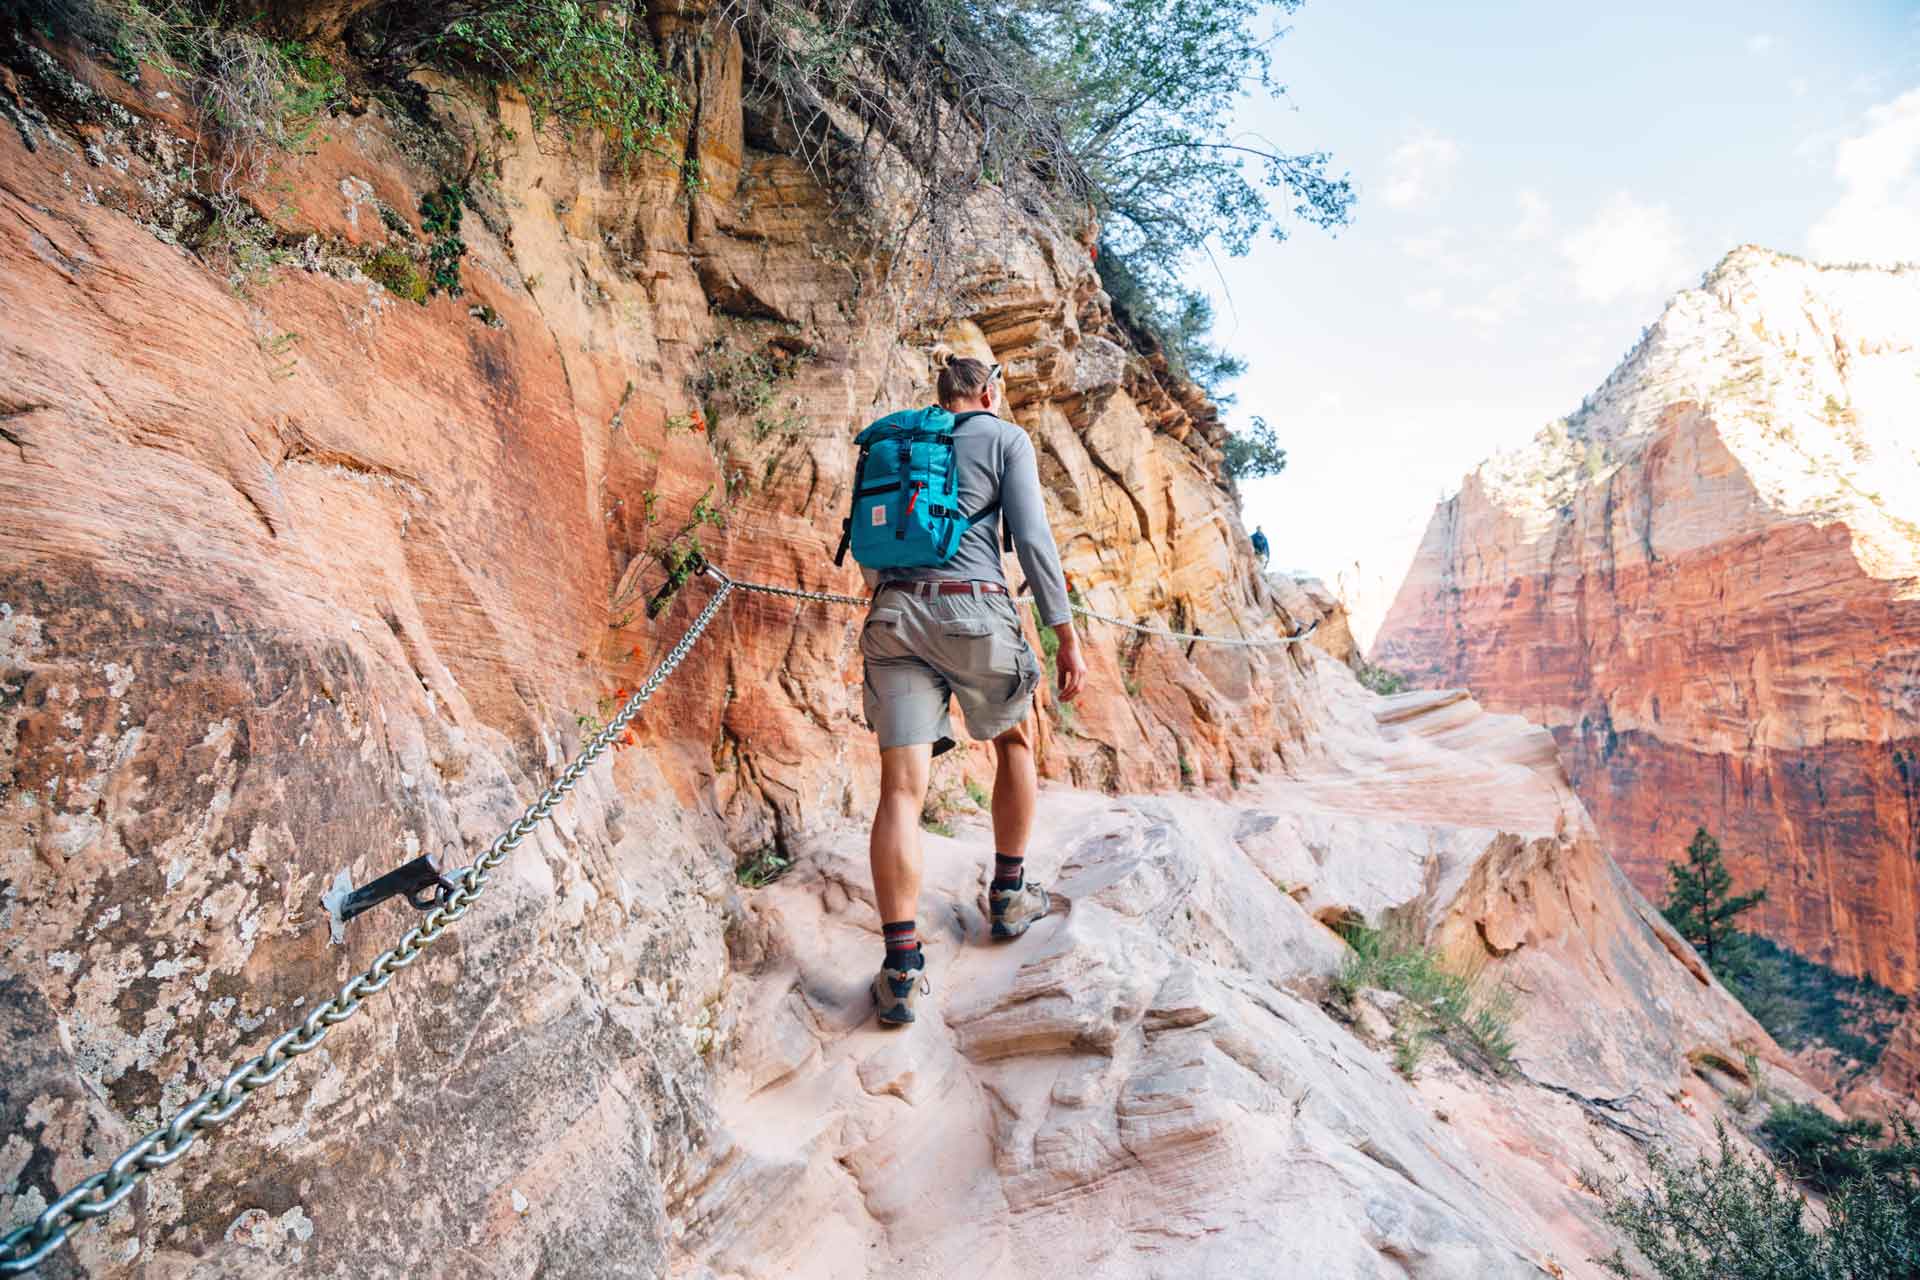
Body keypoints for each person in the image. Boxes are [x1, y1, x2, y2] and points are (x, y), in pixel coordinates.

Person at [861, 355, 1086, 1027]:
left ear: (942, 394)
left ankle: (901, 970)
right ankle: (1011, 895)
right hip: (975, 609)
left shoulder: (894, 441)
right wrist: (1063, 632)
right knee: (1015, 739)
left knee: (901, 788)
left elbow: (872, 546)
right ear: (987, 393)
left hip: (894, 615)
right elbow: (1034, 541)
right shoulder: (1004, 437)